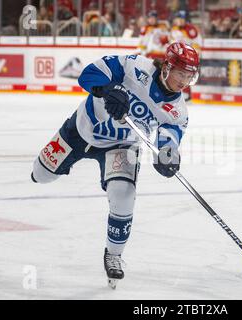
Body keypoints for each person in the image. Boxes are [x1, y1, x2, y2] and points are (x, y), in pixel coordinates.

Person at [30, 42, 200, 289]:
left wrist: (167, 158)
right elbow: (88, 74)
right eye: (180, 73)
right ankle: (44, 169)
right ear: (166, 67)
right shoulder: (133, 66)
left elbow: (168, 142)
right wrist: (108, 89)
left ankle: (114, 255)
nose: (184, 81)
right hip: (81, 131)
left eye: (189, 76)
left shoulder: (178, 112)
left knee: (124, 196)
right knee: (41, 174)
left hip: (122, 146)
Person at [170, 10, 202, 101]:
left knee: (185, 75)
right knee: (176, 75)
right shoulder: (174, 29)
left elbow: (197, 43)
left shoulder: (191, 29)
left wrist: (192, 56)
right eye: (178, 19)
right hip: (177, 57)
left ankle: (187, 93)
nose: (179, 21)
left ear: (185, 19)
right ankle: (176, 92)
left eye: (181, 19)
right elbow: (172, 42)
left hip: (188, 57)